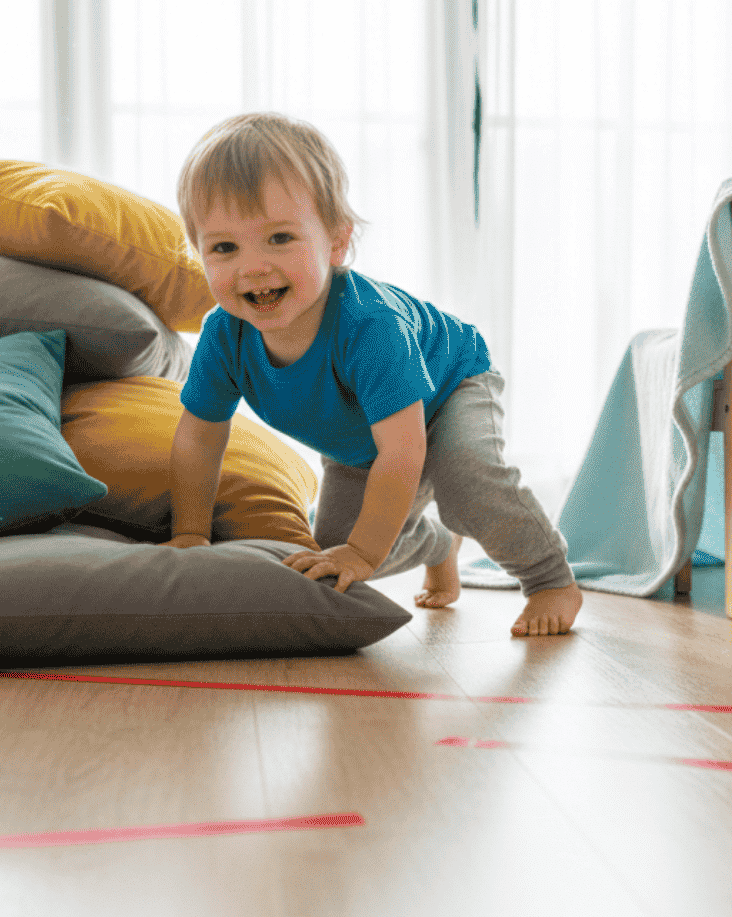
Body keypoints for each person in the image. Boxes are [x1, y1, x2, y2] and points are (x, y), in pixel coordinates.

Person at [164, 112, 582, 637]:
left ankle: (549, 579)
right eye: (225, 247)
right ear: (198, 252)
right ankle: (435, 543)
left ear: (337, 244)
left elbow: (405, 450)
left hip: (447, 391)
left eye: (280, 238)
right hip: (360, 442)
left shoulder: (370, 328)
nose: (252, 267)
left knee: (464, 482)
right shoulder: (224, 335)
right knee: (329, 561)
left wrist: (364, 549)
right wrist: (190, 534)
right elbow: (198, 439)